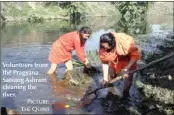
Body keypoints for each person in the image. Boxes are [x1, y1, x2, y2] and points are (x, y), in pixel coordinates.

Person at [98, 32, 140, 99]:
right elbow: (105, 62)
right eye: (103, 47)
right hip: (115, 57)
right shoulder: (103, 48)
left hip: (128, 58)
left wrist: (126, 69)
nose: (105, 49)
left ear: (112, 44)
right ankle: (110, 89)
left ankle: (125, 94)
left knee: (128, 77)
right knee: (111, 74)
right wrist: (105, 79)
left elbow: (134, 55)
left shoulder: (125, 43)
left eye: (107, 47)